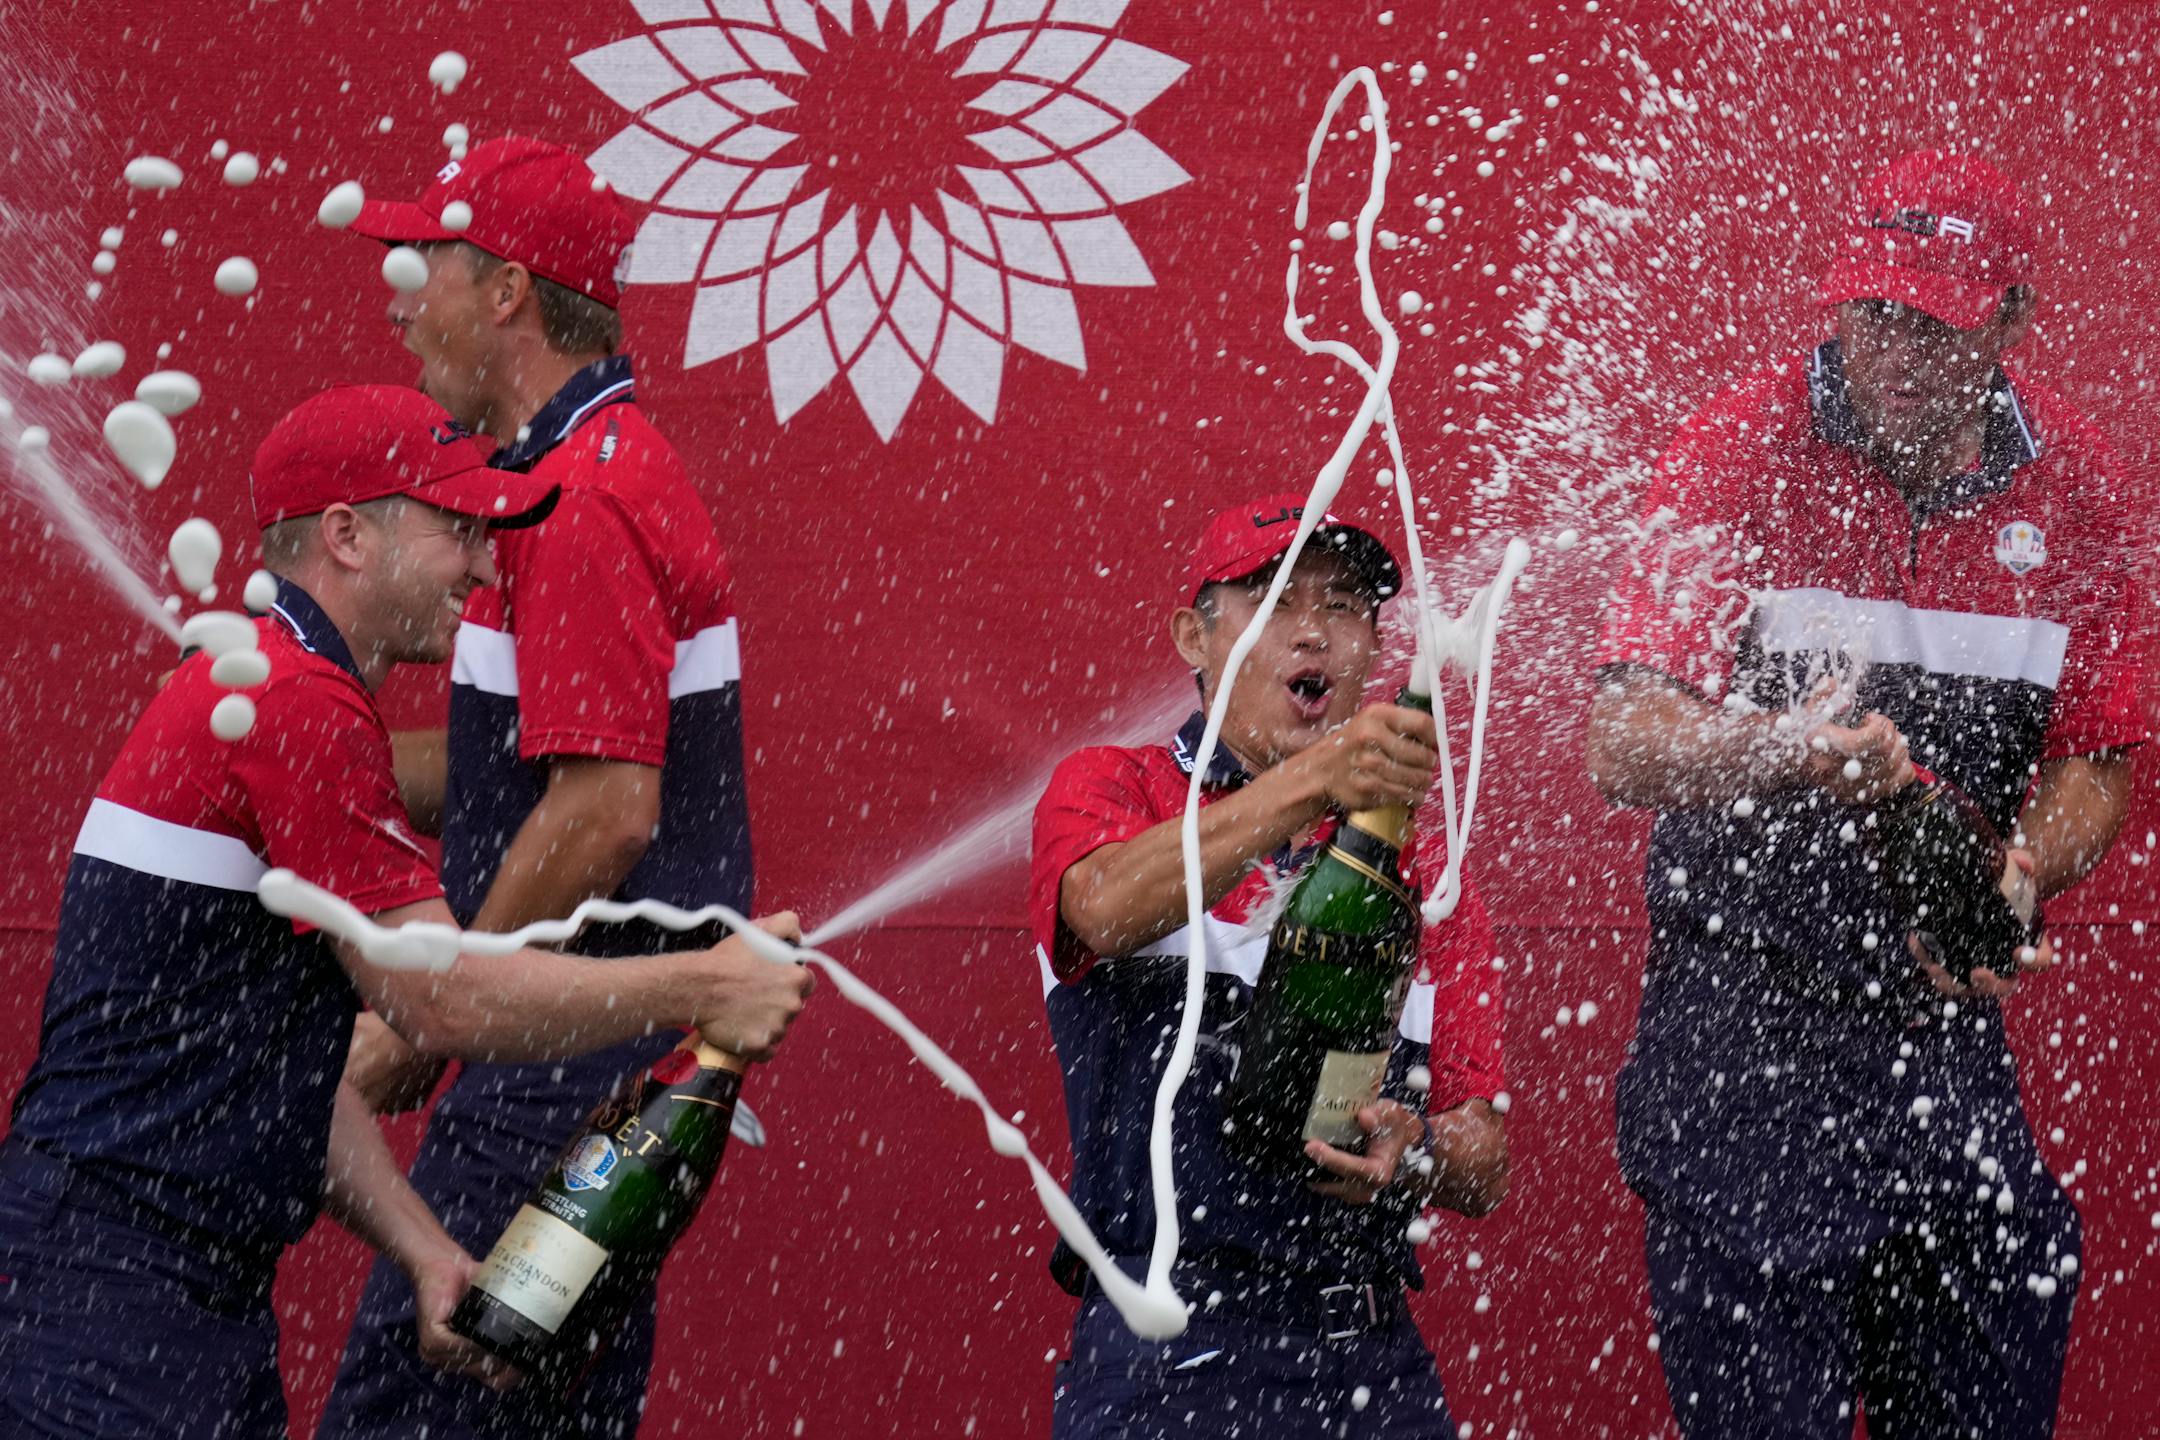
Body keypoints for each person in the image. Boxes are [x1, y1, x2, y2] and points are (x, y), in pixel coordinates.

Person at [0, 385, 810, 1439]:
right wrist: (706, 980)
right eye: (454, 530)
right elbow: (442, 1001)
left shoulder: (281, 688)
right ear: (345, 536)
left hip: (149, 1289)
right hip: (106, 1290)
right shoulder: (290, 707)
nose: (481, 568)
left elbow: (290, 1075)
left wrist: (425, 1250)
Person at [1587, 151, 2149, 1438]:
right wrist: (1792, 749)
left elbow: (2099, 757)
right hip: (1742, 1035)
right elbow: (1623, 737)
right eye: (1870, 313)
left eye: (1931, 324)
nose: (1889, 352)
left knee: (2000, 1329)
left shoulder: (2076, 484)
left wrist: (2014, 876)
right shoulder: (1739, 447)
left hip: (1940, 1044)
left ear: (2008, 321)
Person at [320, 137, 759, 1437]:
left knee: (417, 1416)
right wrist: (298, 756)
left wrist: (431, 1011)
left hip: (556, 1084)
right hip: (588, 1086)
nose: (400, 293)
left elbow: (604, 810)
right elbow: (523, 773)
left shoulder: (586, 498)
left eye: (428, 266)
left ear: (506, 290)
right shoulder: (568, 475)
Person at [1033, 494, 1512, 1439]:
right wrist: (1312, 786)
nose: (1317, 635)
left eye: (1343, 608)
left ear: (1375, 650)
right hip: (1165, 1355)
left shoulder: (1427, 871)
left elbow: (1484, 1160)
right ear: (1192, 638)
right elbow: (1100, 907)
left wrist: (1412, 1151)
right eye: (1278, 600)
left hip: (1369, 1361)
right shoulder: (1112, 788)